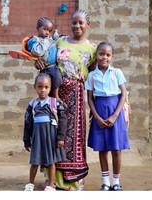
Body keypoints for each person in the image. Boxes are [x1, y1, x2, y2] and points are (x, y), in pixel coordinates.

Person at [35, 10, 97, 190]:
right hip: (55, 91)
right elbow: (46, 59)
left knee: (72, 136)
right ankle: (51, 179)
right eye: (74, 22)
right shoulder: (59, 41)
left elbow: (95, 75)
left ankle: (73, 179)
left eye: (81, 23)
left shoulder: (92, 48)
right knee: (52, 133)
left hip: (76, 97)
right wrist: (37, 62)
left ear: (87, 25)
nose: (77, 26)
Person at [85, 41, 130, 191]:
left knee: (116, 149)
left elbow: (123, 94)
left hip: (114, 112)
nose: (104, 57)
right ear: (96, 56)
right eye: (101, 54)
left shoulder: (117, 73)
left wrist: (115, 115)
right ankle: (105, 181)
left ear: (112, 57)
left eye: (108, 55)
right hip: (99, 111)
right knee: (102, 148)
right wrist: (96, 117)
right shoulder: (91, 76)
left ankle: (116, 181)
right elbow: (90, 98)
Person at [23, 73, 67, 191]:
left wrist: (60, 137)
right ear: (35, 87)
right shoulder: (32, 104)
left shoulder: (54, 103)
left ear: (50, 87)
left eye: (46, 87)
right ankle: (30, 184)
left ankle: (51, 185)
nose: (43, 90)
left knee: (51, 161)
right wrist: (26, 140)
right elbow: (27, 122)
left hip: (50, 136)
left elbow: (62, 120)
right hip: (37, 136)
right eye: (40, 87)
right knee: (35, 161)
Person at [26, 17, 63, 100]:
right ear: (38, 28)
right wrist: (45, 42)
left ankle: (55, 97)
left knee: (57, 79)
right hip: (46, 67)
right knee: (45, 85)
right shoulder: (35, 40)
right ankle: (53, 97)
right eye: (45, 29)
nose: (47, 33)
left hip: (53, 66)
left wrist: (56, 36)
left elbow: (54, 42)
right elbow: (38, 51)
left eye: (49, 31)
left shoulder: (48, 39)